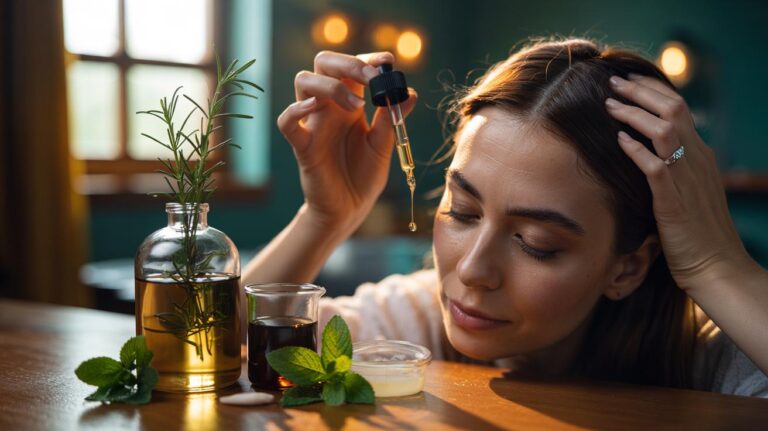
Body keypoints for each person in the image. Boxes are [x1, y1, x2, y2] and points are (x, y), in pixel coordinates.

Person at [242, 38, 768, 397]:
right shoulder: (414, 321)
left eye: (536, 242)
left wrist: (715, 264)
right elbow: (219, 348)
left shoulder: (712, 365)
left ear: (626, 268)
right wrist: (326, 216)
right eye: (462, 211)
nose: (472, 270)